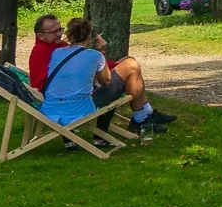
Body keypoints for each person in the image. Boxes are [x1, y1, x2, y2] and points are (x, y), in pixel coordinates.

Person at [29, 13, 175, 133]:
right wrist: (101, 56)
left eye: (60, 29)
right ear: (40, 35)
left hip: (74, 94)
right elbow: (40, 84)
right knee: (131, 66)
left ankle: (146, 114)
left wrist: (113, 64)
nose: (58, 34)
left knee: (129, 62)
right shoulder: (43, 51)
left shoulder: (58, 47)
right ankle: (142, 118)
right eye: (53, 31)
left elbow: (78, 65)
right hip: (75, 101)